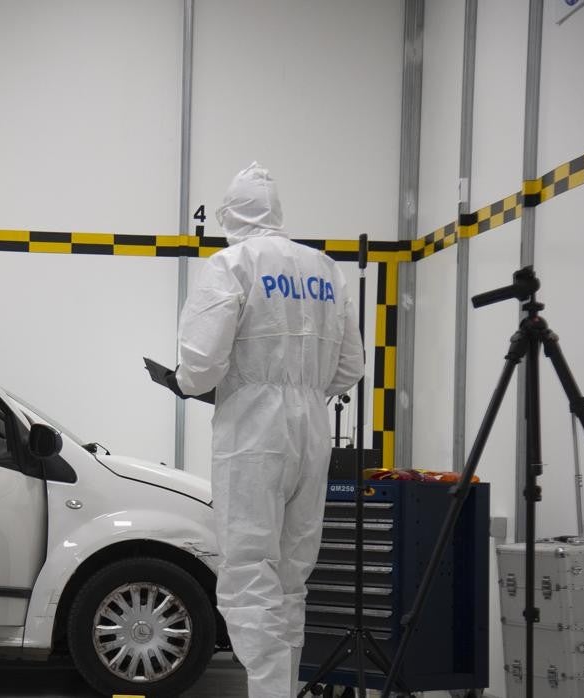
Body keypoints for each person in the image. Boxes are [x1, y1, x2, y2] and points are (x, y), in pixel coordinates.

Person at [172, 162, 364, 697]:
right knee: (291, 577)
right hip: (312, 428)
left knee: (248, 569)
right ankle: (281, 689)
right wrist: (304, 386)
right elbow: (351, 368)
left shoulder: (231, 264)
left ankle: (268, 689)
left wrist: (187, 382)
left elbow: (200, 365)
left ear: (230, 214)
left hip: (253, 430)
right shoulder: (326, 269)